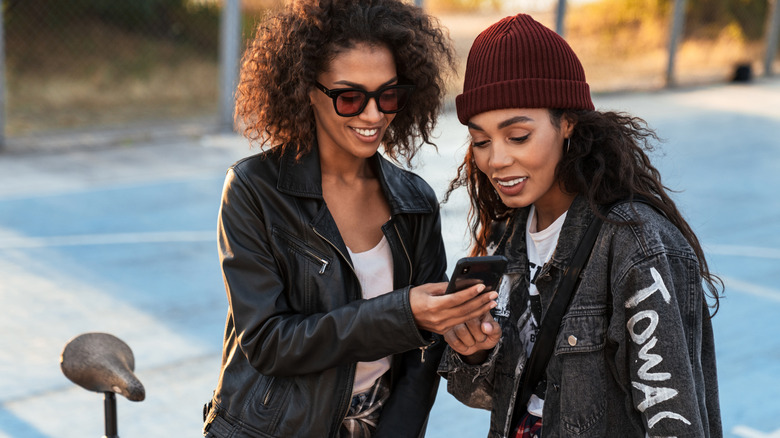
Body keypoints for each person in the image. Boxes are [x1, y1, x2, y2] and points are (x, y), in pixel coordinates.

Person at [202, 1, 499, 437]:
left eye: (389, 95)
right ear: (307, 89)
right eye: (350, 97)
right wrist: (404, 313)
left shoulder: (414, 200)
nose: (374, 115)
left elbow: (422, 359)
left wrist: (464, 338)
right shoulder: (255, 190)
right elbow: (268, 343)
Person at [438, 13, 722, 438]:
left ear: (567, 123)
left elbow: (673, 419)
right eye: (480, 141)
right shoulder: (508, 234)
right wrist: (476, 354)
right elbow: (495, 396)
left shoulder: (635, 246)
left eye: (517, 136)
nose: (495, 160)